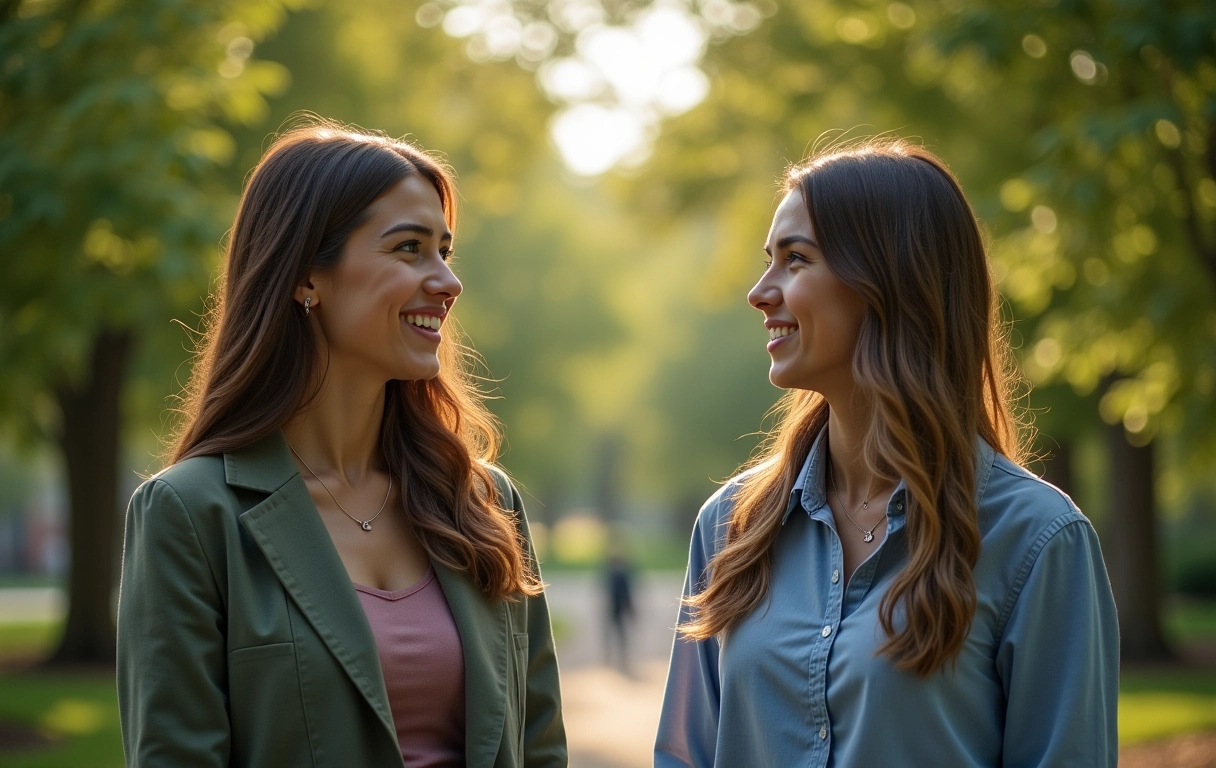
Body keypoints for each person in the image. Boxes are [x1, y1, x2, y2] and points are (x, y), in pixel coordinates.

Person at [116, 120, 566, 767]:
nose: (448, 281)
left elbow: (540, 746)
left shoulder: (484, 502)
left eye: (445, 251)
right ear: (306, 276)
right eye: (409, 248)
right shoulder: (190, 514)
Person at [655, 139, 1118, 767]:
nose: (759, 293)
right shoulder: (731, 526)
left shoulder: (1037, 541)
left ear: (889, 282)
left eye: (796, 259)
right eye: (769, 261)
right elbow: (684, 756)